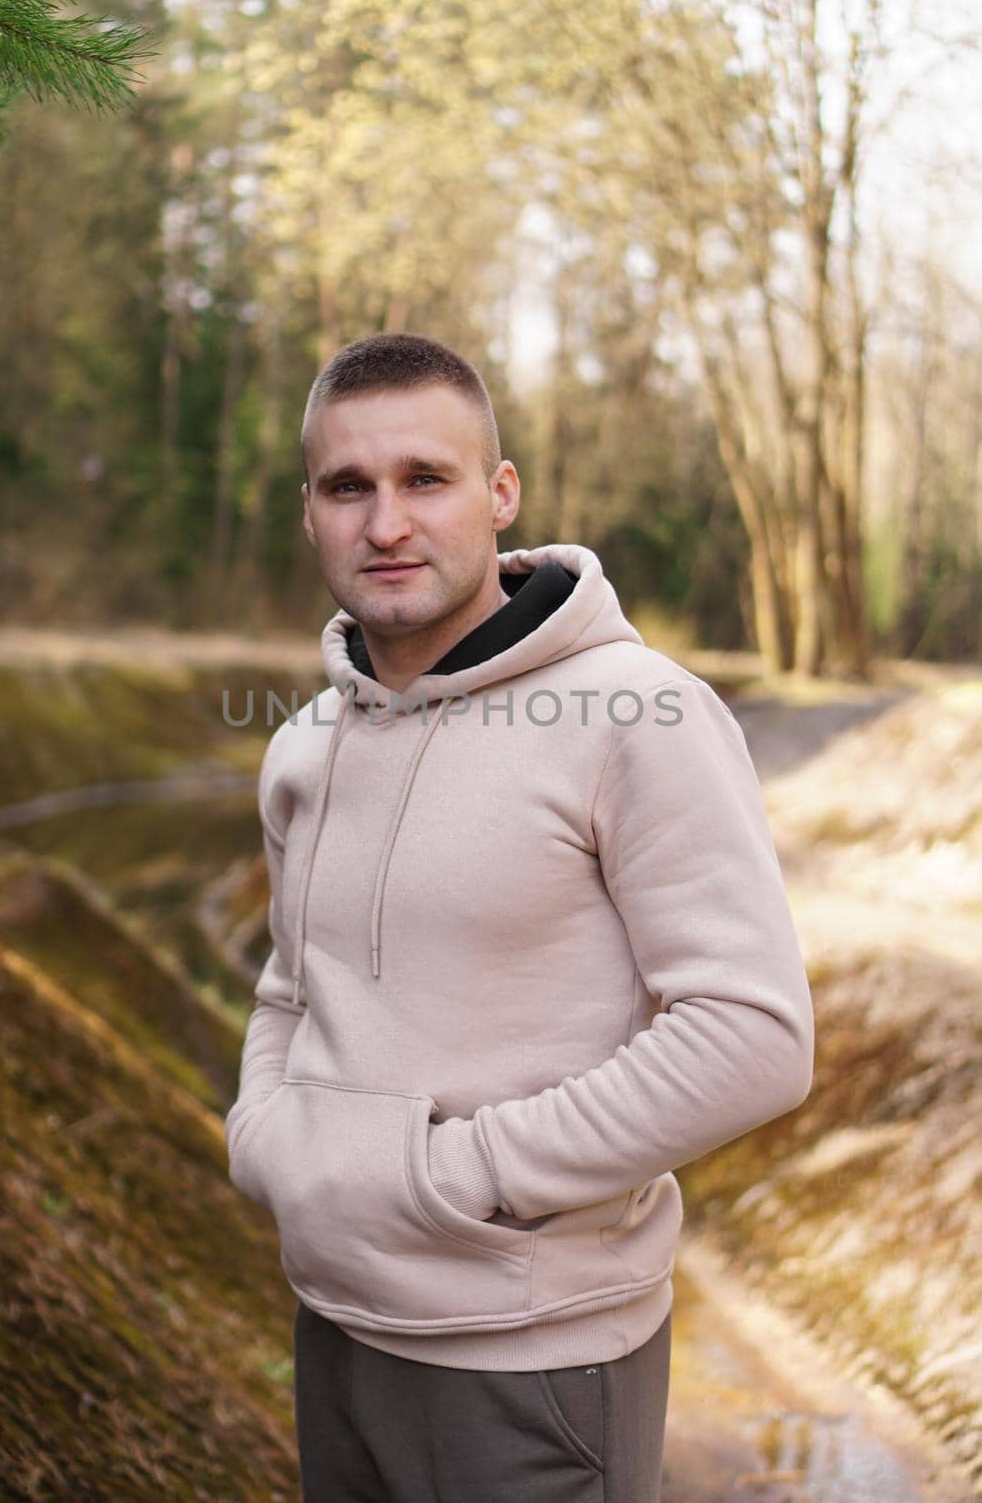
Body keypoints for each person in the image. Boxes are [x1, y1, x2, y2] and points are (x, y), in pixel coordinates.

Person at [224, 332, 815, 1502]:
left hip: (531, 1360)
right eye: (349, 486)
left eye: (423, 479)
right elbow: (291, 988)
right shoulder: (305, 742)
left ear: (499, 495)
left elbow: (751, 1038)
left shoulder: (637, 713)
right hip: (336, 1327)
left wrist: (463, 1174)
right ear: (310, 513)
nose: (384, 522)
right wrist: (267, 1145)